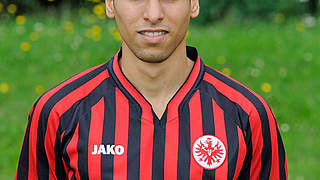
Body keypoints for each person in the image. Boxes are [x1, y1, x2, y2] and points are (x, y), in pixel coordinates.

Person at [16, 0, 288, 179]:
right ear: (110, 4)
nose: (154, 14)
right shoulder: (59, 112)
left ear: (194, 3)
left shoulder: (248, 116)